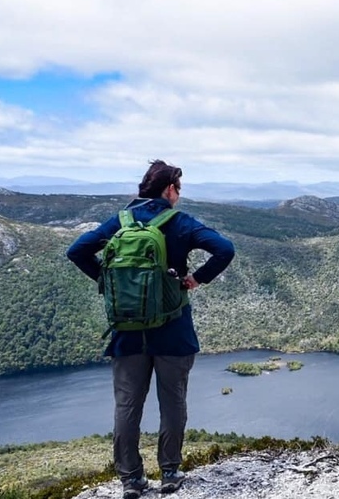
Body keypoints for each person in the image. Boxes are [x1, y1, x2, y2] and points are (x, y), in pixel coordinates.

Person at [67, 160, 235, 498]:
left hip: (127, 332)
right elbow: (225, 249)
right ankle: (170, 472)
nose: (179, 196)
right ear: (170, 189)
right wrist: (196, 279)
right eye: (179, 189)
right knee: (172, 403)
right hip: (173, 330)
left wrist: (107, 280)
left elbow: (77, 251)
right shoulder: (180, 222)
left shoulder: (121, 222)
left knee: (127, 406)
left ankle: (131, 480)